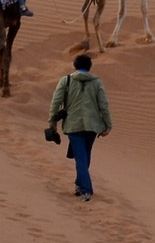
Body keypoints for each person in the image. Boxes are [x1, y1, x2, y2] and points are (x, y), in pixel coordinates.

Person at [48, 53, 112, 201]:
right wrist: (108, 125)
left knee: (82, 157)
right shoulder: (97, 82)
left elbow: (55, 103)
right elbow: (104, 105)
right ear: (89, 67)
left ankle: (85, 189)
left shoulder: (66, 80)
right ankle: (81, 185)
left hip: (73, 125)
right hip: (92, 126)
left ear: (74, 66)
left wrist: (52, 124)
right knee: (84, 156)